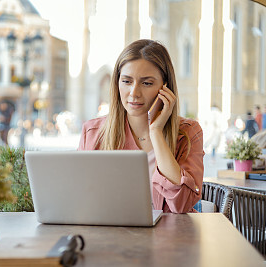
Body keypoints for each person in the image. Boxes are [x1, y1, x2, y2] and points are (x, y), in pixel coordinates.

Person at [78, 39, 204, 214]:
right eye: (127, 81)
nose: (134, 93)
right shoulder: (93, 132)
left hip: (170, 238)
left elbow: (182, 205)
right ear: (117, 83)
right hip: (110, 235)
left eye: (147, 83)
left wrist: (156, 132)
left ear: (165, 87)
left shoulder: (188, 132)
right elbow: (81, 200)